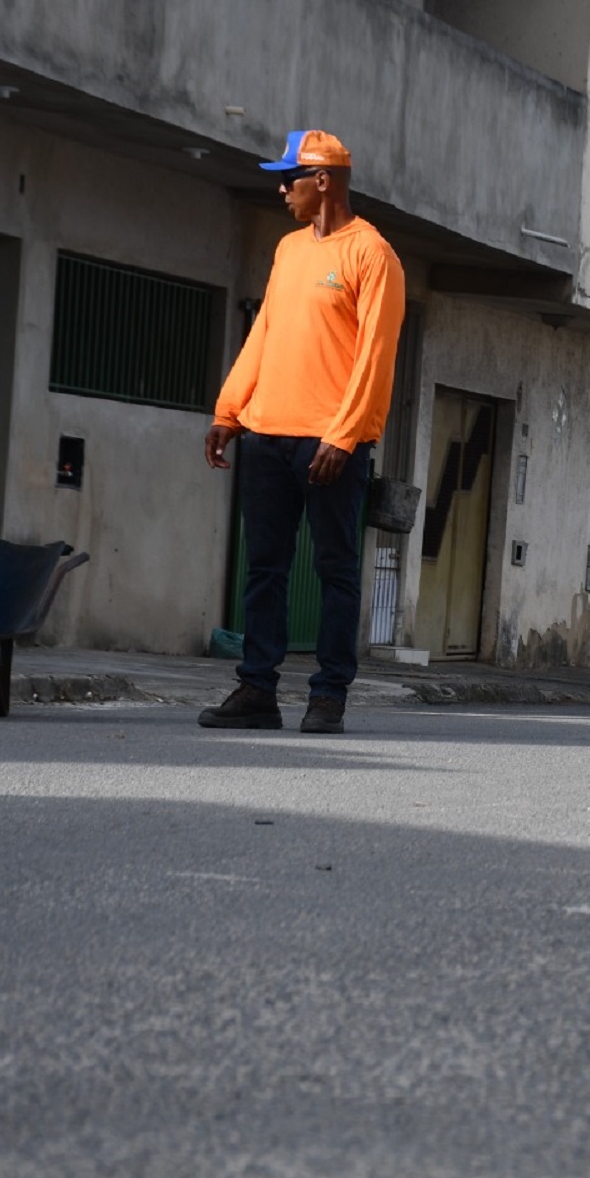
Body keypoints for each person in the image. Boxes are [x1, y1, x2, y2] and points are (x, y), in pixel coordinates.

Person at [199, 130, 405, 735]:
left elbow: (375, 355)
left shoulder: (373, 255)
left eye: (289, 177)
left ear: (323, 181)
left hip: (330, 444)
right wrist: (228, 411)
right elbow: (264, 333)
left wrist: (343, 436)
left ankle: (329, 696)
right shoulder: (288, 249)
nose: (280, 187)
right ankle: (258, 689)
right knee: (264, 568)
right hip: (267, 435)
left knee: (336, 571)